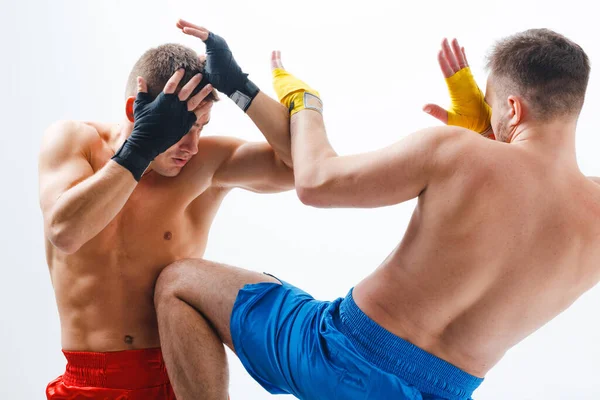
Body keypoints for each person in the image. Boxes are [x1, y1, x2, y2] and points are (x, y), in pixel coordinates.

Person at [154, 28, 599, 400]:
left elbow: (316, 181)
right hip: (445, 391)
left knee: (178, 282)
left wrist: (306, 104)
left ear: (513, 108)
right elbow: (524, 213)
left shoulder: (456, 152)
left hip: (341, 356)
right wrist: (489, 133)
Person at [40, 19, 294, 399]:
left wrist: (242, 89)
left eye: (201, 128)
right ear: (136, 111)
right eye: (180, 129)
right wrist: (140, 150)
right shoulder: (75, 141)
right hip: (87, 382)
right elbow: (65, 232)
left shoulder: (206, 163)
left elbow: (303, 167)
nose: (191, 147)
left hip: (177, 378)